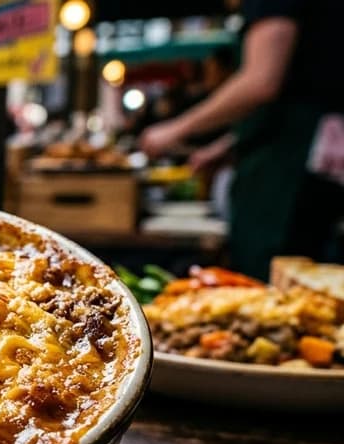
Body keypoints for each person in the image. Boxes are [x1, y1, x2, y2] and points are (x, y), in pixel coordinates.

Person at [140, 0, 344, 278]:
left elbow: (261, 81)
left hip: (285, 170)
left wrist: (176, 129)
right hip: (299, 157)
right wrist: (227, 146)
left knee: (274, 283)